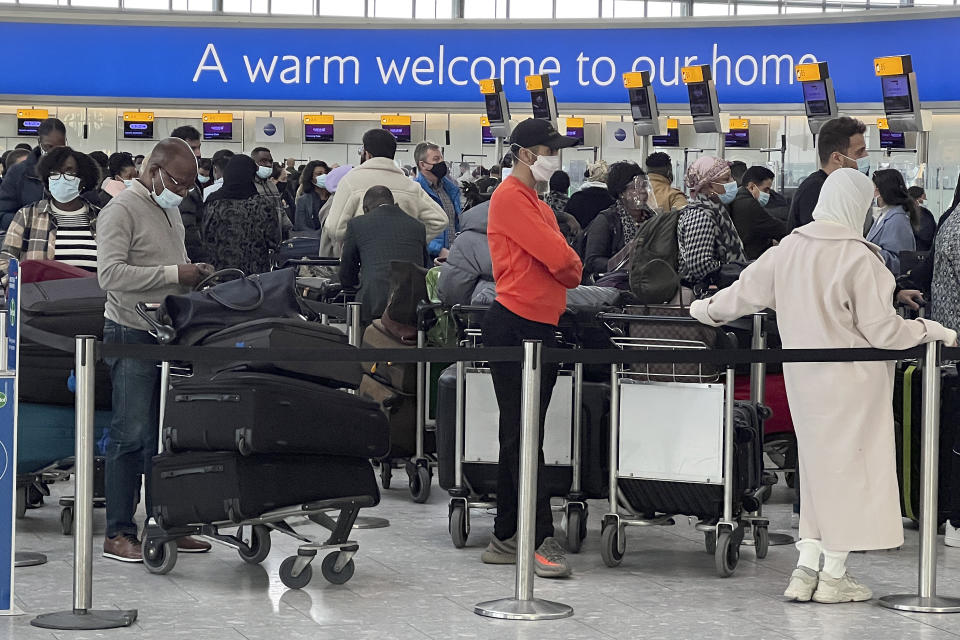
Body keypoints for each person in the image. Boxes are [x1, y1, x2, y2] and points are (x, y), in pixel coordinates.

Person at [689, 168, 957, 604]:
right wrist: (931, 330)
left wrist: (701, 310)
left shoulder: (789, 248)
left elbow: (738, 296)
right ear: (854, 204)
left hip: (805, 381)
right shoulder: (859, 258)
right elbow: (885, 333)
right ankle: (833, 574)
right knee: (851, 473)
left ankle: (805, 568)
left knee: (816, 472)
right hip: (854, 384)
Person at [97, 138, 214, 562]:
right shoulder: (120, 210)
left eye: (188, 185)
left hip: (166, 332)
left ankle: (165, 521)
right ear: (153, 170)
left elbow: (170, 262)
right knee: (132, 433)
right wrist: (173, 272)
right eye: (179, 182)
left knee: (164, 435)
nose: (183, 191)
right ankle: (118, 531)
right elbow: (109, 274)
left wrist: (191, 276)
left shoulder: (169, 208)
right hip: (130, 331)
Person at [480, 118, 581, 579]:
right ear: (523, 153)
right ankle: (536, 537)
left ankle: (506, 534)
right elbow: (564, 260)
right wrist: (563, 258)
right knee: (524, 436)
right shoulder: (511, 200)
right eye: (546, 149)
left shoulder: (535, 203)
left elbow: (565, 260)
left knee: (522, 435)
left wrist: (564, 259)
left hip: (537, 324)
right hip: (518, 324)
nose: (553, 157)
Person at [322, 129, 446, 256]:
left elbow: (334, 228)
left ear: (367, 154)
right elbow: (440, 220)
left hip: (363, 262)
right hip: (403, 264)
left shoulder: (350, 181)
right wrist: (411, 242)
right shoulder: (410, 185)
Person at [1, 146, 101, 277]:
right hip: (38, 296)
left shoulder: (101, 218)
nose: (61, 178)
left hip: (93, 296)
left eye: (69, 173)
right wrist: (16, 285)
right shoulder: (27, 215)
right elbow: (5, 261)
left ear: (83, 180)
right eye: (54, 173)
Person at [339, 186, 428, 323]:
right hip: (412, 303)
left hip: (374, 302)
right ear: (394, 204)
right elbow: (425, 265)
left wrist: (350, 286)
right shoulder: (417, 226)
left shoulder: (357, 224)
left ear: (365, 209)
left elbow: (347, 268)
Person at [202, 155, 281, 275]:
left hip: (219, 276)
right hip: (253, 278)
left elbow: (204, 235)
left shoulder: (213, 203)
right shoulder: (263, 205)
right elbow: (274, 241)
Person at [787, 116, 868, 231]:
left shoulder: (838, 188)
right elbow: (820, 241)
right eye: (860, 152)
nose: (866, 156)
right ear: (837, 158)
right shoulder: (816, 190)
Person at [677, 156, 747, 289]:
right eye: (726, 179)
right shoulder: (699, 215)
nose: (732, 182)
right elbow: (700, 265)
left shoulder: (715, 209)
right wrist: (734, 273)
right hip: (707, 296)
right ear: (708, 186)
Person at [582, 161, 655, 280]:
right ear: (621, 192)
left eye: (644, 186)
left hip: (649, 281)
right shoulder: (607, 220)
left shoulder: (652, 218)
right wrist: (622, 258)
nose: (642, 191)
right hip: (615, 285)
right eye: (635, 187)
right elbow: (592, 262)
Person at [0, 118, 67, 230]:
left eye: (60, 147)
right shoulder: (19, 173)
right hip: (29, 242)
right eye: (49, 146)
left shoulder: (78, 170)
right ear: (39, 142)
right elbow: (2, 214)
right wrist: (29, 223)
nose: (54, 153)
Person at [414, 142, 463, 260]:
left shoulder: (450, 190)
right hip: (430, 259)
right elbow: (413, 232)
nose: (441, 163)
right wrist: (438, 250)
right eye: (436, 159)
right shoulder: (415, 192)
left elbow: (455, 223)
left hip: (453, 256)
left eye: (441, 158)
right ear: (423, 164)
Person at [728, 165, 787, 260]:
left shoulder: (738, 196)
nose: (768, 194)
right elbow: (778, 228)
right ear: (751, 187)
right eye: (766, 189)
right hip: (751, 259)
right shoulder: (749, 205)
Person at [866, 169, 917, 276]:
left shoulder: (897, 219)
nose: (872, 192)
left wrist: (866, 251)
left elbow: (899, 261)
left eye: (874, 188)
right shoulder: (884, 214)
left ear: (882, 191)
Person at [170, 126, 207, 263]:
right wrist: (200, 257)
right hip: (185, 255)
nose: (198, 153)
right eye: (193, 148)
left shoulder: (190, 177)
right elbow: (187, 227)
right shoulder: (176, 180)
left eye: (199, 147)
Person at [251, 147, 292, 239]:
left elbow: (280, 210)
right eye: (263, 161)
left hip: (277, 238)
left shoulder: (272, 185)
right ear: (253, 163)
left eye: (270, 161)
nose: (268, 164)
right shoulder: (249, 185)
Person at [565, 160, 615, 229]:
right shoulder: (613, 201)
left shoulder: (576, 198)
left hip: (578, 238)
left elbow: (566, 223)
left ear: (590, 176)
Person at [544, 170, 581, 245]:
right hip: (562, 242)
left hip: (545, 239)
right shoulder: (571, 203)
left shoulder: (542, 201)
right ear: (567, 187)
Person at [295, 160, 330, 232]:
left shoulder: (333, 198)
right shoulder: (303, 200)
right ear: (310, 178)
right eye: (319, 174)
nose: (324, 176)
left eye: (325, 173)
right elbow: (300, 225)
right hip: (312, 238)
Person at [907, 185, 937, 252]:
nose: (925, 200)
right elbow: (928, 234)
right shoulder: (923, 213)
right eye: (924, 198)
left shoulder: (904, 212)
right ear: (918, 199)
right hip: (922, 253)